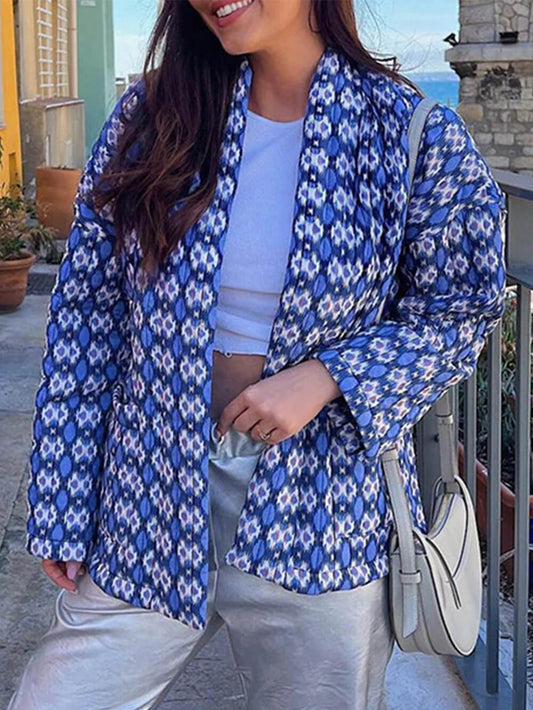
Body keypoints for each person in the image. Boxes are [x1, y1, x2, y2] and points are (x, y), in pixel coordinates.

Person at [8, 0, 507, 708]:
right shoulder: (152, 118)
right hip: (148, 493)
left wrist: (329, 376)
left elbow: (460, 309)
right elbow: (89, 320)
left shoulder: (408, 133)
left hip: (318, 510)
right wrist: (64, 495)